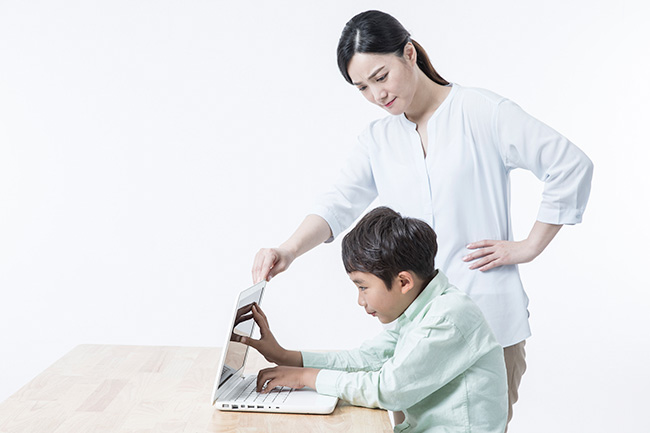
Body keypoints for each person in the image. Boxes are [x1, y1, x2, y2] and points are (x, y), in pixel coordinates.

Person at [251, 9, 593, 429]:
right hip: (412, 329)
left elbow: (569, 164)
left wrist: (528, 246)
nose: (377, 94)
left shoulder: (481, 111)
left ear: (409, 54)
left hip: (487, 319)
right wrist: (288, 249)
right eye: (362, 87)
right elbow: (337, 201)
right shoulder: (379, 139)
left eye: (381, 76)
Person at [243, 207, 508, 433]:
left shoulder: (447, 319)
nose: (360, 300)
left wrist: (305, 378)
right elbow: (366, 359)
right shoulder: (419, 309)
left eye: (362, 287)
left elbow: (388, 390)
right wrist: (286, 357)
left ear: (403, 281)